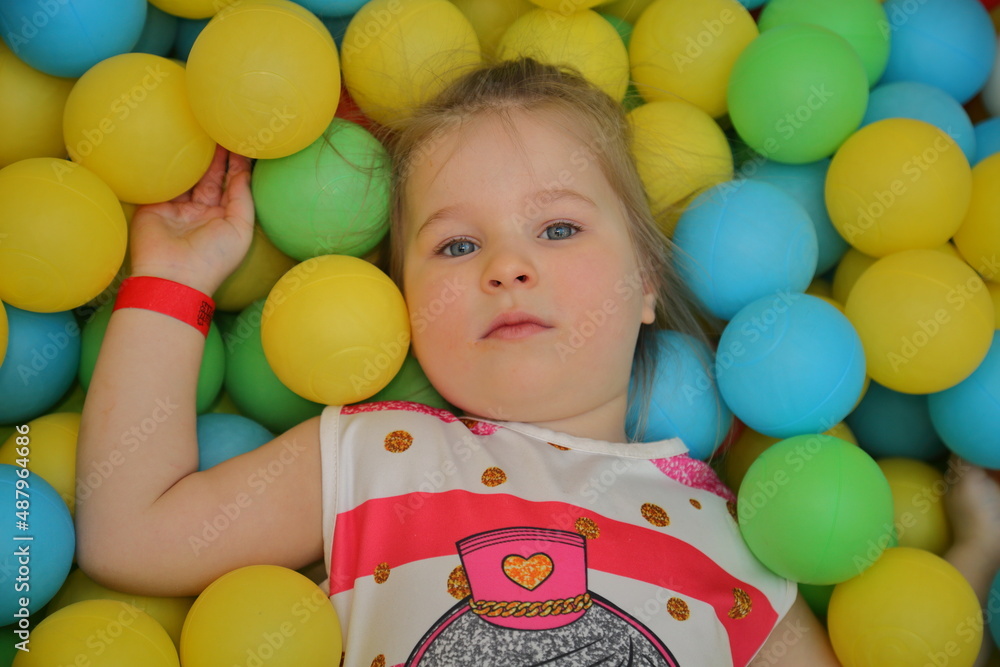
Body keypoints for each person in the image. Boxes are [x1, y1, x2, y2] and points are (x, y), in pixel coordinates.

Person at [76, 58, 1000, 666]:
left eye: (557, 228)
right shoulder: (373, 455)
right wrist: (171, 280)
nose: (506, 265)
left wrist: (972, 554)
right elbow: (131, 531)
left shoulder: (738, 532)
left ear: (646, 282)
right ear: (400, 303)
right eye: (452, 247)